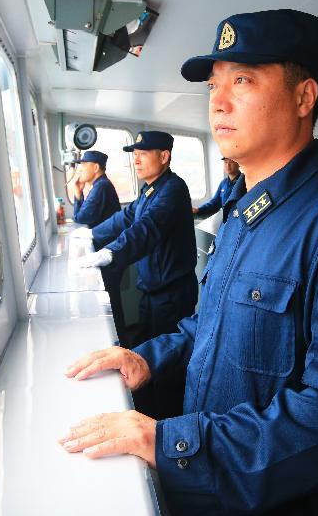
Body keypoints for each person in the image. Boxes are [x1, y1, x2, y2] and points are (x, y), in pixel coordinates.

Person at [61, 9, 318, 515]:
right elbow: (209, 323)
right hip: (219, 490)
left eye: (243, 80)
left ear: (303, 97)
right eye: (213, 86)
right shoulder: (246, 211)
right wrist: (148, 358)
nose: (218, 103)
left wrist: (171, 443)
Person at [76, 130, 198, 420]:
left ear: (164, 156)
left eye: (143, 154)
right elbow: (127, 218)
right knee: (147, 356)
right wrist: (93, 235)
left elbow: (148, 228)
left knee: (168, 365)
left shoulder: (173, 189)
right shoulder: (150, 190)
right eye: (134, 155)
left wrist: (113, 252)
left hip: (171, 295)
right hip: (151, 292)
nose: (137, 161)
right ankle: (149, 411)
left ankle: (169, 422)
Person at [67, 150, 125, 337]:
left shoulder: (101, 187)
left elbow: (81, 217)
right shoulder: (100, 186)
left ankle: (122, 341)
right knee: (112, 296)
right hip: (106, 247)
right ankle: (122, 339)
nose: (80, 171)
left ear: (96, 167)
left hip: (108, 250)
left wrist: (77, 192)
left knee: (112, 298)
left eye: (83, 166)